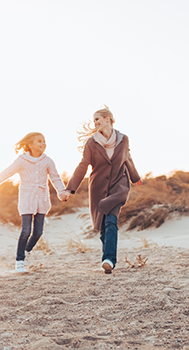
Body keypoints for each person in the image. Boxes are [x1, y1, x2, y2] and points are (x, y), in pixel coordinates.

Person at [64, 106, 142, 274]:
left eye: (97, 119)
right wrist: (70, 189)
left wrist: (135, 178)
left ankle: (109, 259)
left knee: (111, 220)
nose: (95, 122)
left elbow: (127, 158)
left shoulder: (123, 139)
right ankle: (107, 260)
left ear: (108, 119)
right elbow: (83, 165)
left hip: (119, 185)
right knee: (103, 227)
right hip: (98, 188)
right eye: (94, 120)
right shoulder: (91, 143)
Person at [0, 132, 65, 273]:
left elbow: (56, 178)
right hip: (26, 199)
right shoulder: (21, 160)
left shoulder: (48, 161)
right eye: (39, 141)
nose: (43, 144)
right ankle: (19, 260)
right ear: (30, 144)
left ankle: (27, 251)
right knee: (26, 230)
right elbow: (7, 172)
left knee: (38, 232)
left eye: (44, 141)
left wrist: (61, 191)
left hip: (41, 199)